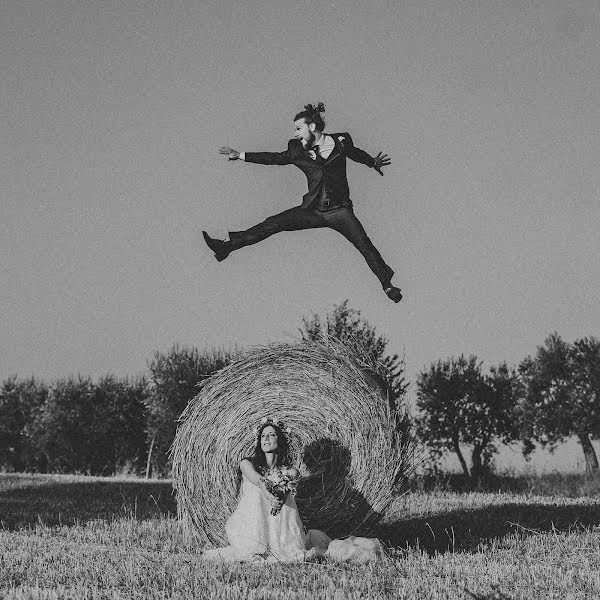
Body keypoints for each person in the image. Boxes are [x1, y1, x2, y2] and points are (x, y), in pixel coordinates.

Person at [202, 102, 403, 303]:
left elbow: (356, 153)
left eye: (299, 128)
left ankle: (387, 285)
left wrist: (372, 162)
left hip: (340, 211)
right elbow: (274, 158)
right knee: (273, 223)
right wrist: (241, 156)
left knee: (364, 244)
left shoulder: (341, 141)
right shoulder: (296, 149)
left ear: (312, 127)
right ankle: (226, 247)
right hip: (313, 210)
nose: (296, 134)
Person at [201, 418, 385, 563]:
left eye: (271, 434)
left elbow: (284, 491)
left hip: (281, 527)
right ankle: (258, 545)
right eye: (263, 435)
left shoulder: (290, 471)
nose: (266, 438)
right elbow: (258, 480)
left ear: (279, 440)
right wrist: (267, 492)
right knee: (258, 495)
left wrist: (278, 498)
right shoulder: (247, 463)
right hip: (251, 525)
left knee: (294, 551)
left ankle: (276, 545)